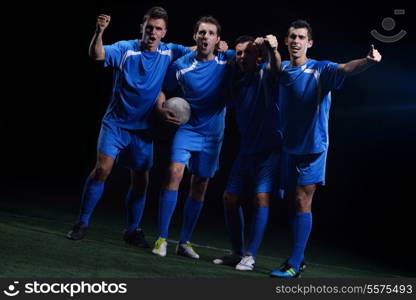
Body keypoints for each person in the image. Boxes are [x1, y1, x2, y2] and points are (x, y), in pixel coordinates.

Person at [67, 7, 191, 248]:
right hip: (116, 124)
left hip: (143, 130)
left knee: (141, 181)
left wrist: (221, 47)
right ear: (141, 29)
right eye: (149, 28)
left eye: (158, 29)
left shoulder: (170, 52)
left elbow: (198, 51)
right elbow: (97, 54)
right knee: (102, 170)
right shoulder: (126, 49)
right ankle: (81, 222)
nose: (153, 33)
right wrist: (99, 31)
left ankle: (132, 230)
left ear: (164, 32)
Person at [270, 20, 382, 278]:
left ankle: (295, 263)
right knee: (290, 203)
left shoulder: (321, 69)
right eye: (292, 37)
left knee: (301, 200)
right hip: (289, 147)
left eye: (301, 37)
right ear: (286, 41)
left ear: (309, 43)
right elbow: (275, 69)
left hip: (314, 147)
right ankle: (299, 257)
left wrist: (366, 61)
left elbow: (345, 69)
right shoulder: (283, 68)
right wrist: (267, 47)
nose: (296, 41)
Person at [151, 16, 234, 259]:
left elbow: (247, 57)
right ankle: (161, 238)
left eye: (210, 33)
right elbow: (162, 89)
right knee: (174, 173)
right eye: (201, 33)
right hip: (188, 129)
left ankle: (184, 242)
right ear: (195, 36)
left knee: (200, 185)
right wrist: (160, 108)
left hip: (213, 134)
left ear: (217, 39)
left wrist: (229, 49)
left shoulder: (226, 60)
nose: (205, 37)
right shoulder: (180, 66)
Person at [212, 35, 281, 271]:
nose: (241, 57)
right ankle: (237, 252)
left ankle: (250, 256)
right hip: (246, 151)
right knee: (229, 199)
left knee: (261, 198)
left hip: (269, 151)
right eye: (238, 53)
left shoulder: (266, 74)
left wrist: (271, 47)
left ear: (258, 56)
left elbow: (276, 66)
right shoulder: (239, 84)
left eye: (247, 53)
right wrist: (222, 52)